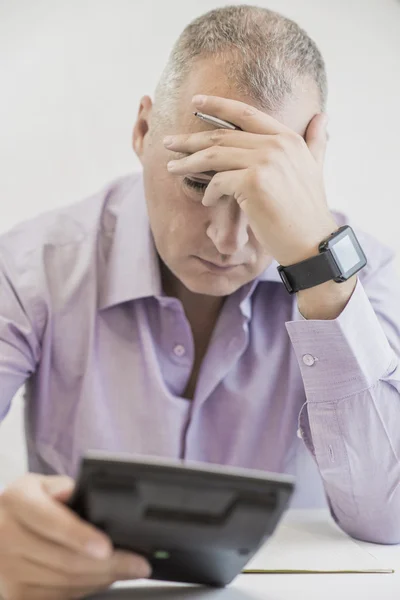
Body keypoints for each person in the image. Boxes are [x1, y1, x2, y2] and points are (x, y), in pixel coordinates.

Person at [1, 4, 400, 599]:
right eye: (197, 181)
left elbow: (388, 518)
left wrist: (320, 271)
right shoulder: (34, 267)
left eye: (263, 192)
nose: (227, 240)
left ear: (308, 171)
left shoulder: (363, 279)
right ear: (142, 132)